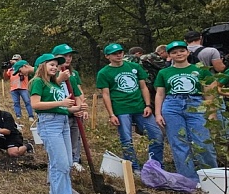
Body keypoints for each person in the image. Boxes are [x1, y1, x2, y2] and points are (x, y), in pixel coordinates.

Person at [154, 41, 218, 182]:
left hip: (196, 104)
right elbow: (160, 94)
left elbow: (208, 92)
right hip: (172, 106)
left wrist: (212, 112)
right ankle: (188, 180)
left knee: (203, 142)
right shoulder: (164, 72)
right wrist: (158, 114)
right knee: (179, 143)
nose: (179, 54)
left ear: (188, 52)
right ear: (169, 55)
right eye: (174, 52)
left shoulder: (200, 70)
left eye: (182, 51)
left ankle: (212, 178)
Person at [96, 43, 165, 173]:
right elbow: (106, 95)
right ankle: (134, 168)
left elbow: (144, 87)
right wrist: (111, 114)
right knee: (126, 139)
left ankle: (156, 165)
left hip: (140, 107)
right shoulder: (104, 73)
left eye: (120, 52)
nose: (118, 55)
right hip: (121, 109)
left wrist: (148, 105)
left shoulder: (134, 67)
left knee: (156, 135)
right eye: (115, 53)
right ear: (107, 56)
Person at [30, 53, 83, 194]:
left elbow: (60, 107)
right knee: (60, 164)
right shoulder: (37, 82)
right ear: (41, 66)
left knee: (64, 163)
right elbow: (35, 105)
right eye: (51, 64)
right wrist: (61, 104)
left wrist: (72, 109)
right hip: (49, 124)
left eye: (56, 65)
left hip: (63, 122)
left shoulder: (54, 84)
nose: (55, 67)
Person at [52, 43, 88, 172]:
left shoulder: (73, 74)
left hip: (74, 109)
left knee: (75, 135)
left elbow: (78, 91)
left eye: (70, 56)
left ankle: (75, 160)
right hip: (60, 111)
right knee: (62, 137)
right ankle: (65, 160)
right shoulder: (52, 73)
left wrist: (80, 108)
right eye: (64, 56)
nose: (68, 59)